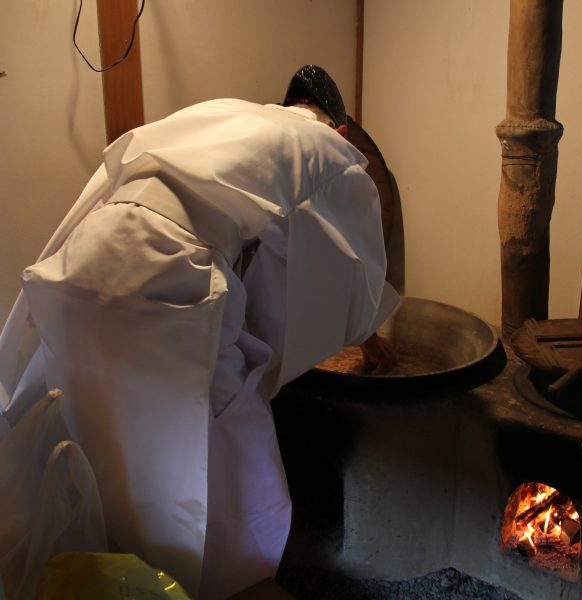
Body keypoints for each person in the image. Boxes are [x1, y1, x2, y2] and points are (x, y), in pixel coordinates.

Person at [0, 64, 398, 598]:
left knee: (110, 443)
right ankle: (231, 583)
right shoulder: (330, 155)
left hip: (78, 270)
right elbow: (327, 289)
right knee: (232, 452)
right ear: (341, 129)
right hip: (162, 281)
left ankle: (132, 573)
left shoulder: (225, 115)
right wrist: (354, 339)